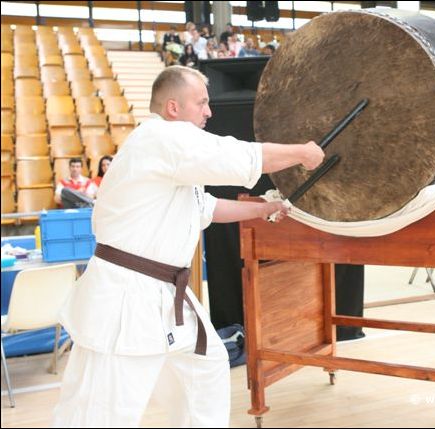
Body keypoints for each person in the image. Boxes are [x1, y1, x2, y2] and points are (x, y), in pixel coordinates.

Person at [52, 65, 325, 427]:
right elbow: (238, 157)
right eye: (201, 103)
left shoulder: (171, 159)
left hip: (167, 294)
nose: (209, 112)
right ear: (173, 108)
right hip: (126, 296)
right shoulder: (159, 139)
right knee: (105, 408)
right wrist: (303, 152)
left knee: (206, 367)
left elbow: (205, 207)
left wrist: (263, 209)